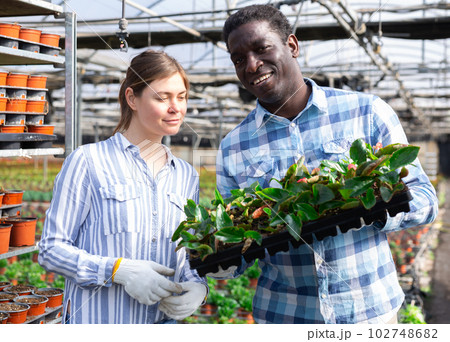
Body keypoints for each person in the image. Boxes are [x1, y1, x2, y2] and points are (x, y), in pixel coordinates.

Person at [210, 5, 438, 324]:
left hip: (370, 313)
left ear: (292, 45)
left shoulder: (367, 112)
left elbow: (426, 200)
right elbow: (235, 249)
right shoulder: (234, 145)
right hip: (284, 316)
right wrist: (214, 255)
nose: (251, 65)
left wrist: (373, 207)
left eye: (262, 48)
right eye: (238, 59)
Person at [38, 50, 207, 324]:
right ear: (132, 98)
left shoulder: (186, 176)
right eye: (162, 97)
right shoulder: (88, 161)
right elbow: (52, 249)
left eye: (182, 97)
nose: (176, 107)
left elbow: (184, 253)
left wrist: (198, 286)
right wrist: (116, 270)